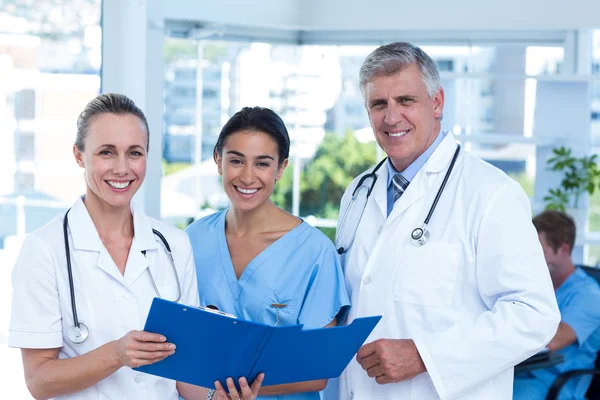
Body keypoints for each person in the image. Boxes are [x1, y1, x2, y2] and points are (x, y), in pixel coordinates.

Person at [332, 42, 561, 399]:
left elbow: (534, 316)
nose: (391, 118)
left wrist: (426, 354)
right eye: (379, 104)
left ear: (437, 103)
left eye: (406, 101)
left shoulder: (491, 193)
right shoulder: (359, 192)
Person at [8, 93, 263, 400]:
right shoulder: (44, 250)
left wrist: (215, 397)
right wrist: (117, 354)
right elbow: (39, 380)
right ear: (79, 156)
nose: (121, 168)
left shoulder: (174, 245)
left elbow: (183, 374)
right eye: (106, 152)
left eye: (134, 153)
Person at [186, 106, 350, 400]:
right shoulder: (193, 239)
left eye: (262, 163)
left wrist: (229, 390)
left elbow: (317, 370)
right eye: (236, 160)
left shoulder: (313, 252)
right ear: (218, 160)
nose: (247, 177)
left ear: (281, 168)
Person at [513, 210, 600, 399]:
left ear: (564, 250)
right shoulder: (539, 284)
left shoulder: (589, 295)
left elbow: (554, 341)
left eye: (539, 249)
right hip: (519, 372)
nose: (531, 257)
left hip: (554, 383)